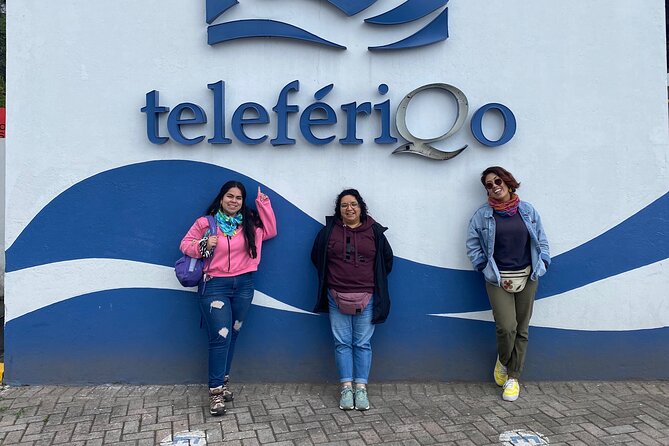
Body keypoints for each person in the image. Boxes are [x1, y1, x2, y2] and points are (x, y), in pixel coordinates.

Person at [180, 181, 277, 416]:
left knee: (232, 334)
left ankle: (223, 384)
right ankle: (215, 392)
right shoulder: (207, 223)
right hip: (214, 286)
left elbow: (271, 230)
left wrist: (263, 204)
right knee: (220, 337)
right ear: (221, 198)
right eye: (229, 196)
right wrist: (204, 244)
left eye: (238, 198)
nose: (234, 201)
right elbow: (185, 244)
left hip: (243, 285)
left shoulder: (250, 225)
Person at [466, 167, 550, 402]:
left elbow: (541, 238)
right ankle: (503, 360)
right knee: (506, 326)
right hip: (497, 278)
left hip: (527, 274)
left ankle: (513, 377)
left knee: (522, 328)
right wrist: (482, 265)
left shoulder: (527, 211)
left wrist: (543, 261)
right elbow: (472, 243)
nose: (494, 186)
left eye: (497, 181)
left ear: (509, 182)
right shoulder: (482, 215)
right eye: (489, 185)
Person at [311, 189, 393, 411]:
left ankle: (361, 388)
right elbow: (316, 257)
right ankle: (346, 387)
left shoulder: (374, 231)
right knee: (342, 343)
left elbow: (387, 261)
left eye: (354, 204)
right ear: (338, 209)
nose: (349, 208)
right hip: (336, 295)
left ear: (361, 207)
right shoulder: (328, 232)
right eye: (344, 205)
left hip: (367, 296)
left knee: (362, 343)